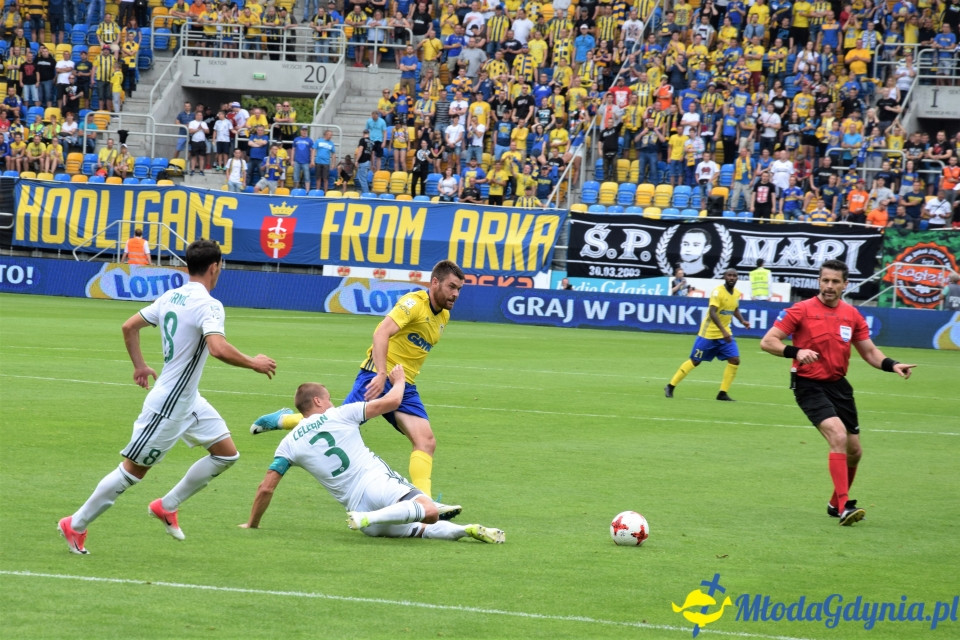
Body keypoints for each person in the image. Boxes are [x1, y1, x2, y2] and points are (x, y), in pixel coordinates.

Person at [57, 239, 277, 555]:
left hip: (188, 398)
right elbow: (217, 348)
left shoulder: (170, 296)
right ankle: (75, 524)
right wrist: (253, 363)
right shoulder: (209, 304)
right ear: (215, 267)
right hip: (170, 403)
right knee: (133, 470)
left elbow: (129, 327)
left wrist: (140, 366)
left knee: (226, 454)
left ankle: (167, 505)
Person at [251, 261, 466, 518]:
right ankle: (283, 419)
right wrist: (381, 374)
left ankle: (426, 503)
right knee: (334, 424)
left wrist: (398, 380)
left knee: (426, 441)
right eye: (451, 286)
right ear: (435, 282)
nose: (455, 293)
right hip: (377, 375)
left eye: (459, 289)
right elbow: (381, 333)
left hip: (404, 385)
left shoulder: (443, 316)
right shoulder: (413, 304)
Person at [239, 366, 504, 544]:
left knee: (423, 529)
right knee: (430, 511)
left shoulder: (287, 445)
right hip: (376, 485)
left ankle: (466, 530)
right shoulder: (340, 414)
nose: (332, 402)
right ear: (318, 401)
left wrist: (252, 523)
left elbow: (266, 488)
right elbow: (392, 402)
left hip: (358, 509)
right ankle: (371, 517)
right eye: (328, 398)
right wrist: (399, 381)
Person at [760, 259, 916, 526]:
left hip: (838, 385)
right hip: (808, 384)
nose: (829, 286)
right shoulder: (800, 310)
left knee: (855, 451)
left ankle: (835, 503)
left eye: (835, 281)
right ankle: (845, 506)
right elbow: (768, 341)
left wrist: (892, 365)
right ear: (819, 281)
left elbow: (869, 352)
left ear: (845, 284)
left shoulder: (852, 315)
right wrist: (796, 351)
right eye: (825, 280)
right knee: (838, 435)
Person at [665, 268, 751, 401]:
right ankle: (670, 386)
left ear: (737, 278)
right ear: (724, 277)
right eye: (729, 275)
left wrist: (742, 321)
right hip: (708, 334)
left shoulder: (736, 293)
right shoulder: (717, 292)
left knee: (735, 359)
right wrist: (723, 331)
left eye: (734, 276)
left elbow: (735, 309)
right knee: (695, 361)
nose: (732, 278)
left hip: (725, 335)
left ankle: (722, 393)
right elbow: (712, 312)